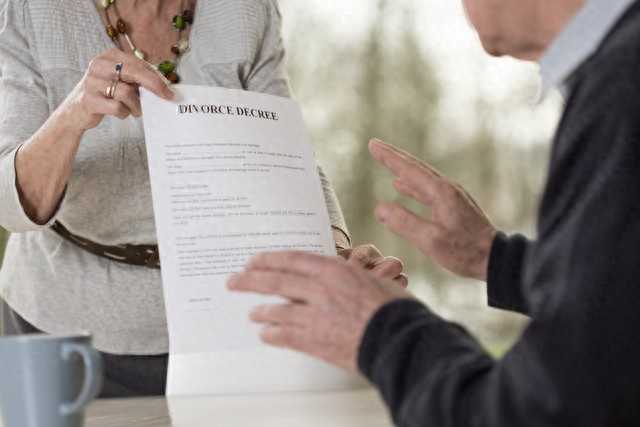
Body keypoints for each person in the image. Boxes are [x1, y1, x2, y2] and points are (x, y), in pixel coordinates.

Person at [228, 0, 640, 425]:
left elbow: (541, 412)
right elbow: (619, 308)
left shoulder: (621, 93)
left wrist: (380, 327)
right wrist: (496, 259)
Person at [0, 0, 406, 397]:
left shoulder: (249, 10)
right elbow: (9, 206)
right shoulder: (27, 9)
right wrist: (72, 115)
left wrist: (332, 251)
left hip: (219, 320)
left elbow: (285, 153)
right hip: (60, 326)